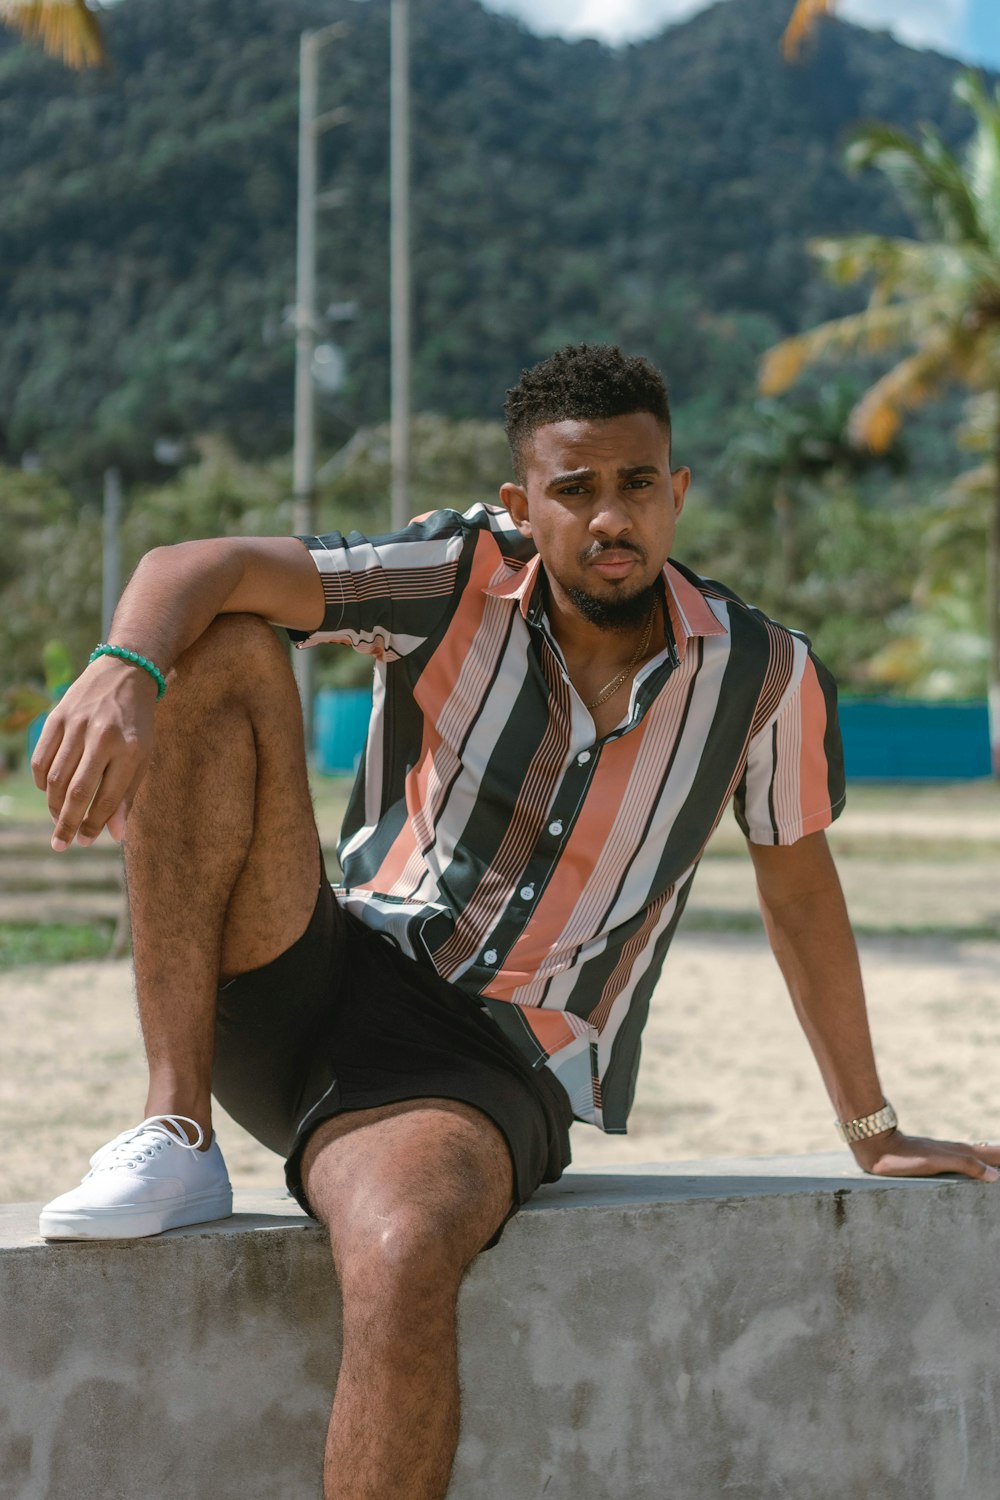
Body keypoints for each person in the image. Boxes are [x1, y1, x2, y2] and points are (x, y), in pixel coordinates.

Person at [33, 344, 998, 1500]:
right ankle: (173, 1128)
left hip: (479, 1063)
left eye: (637, 485)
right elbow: (196, 559)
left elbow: (799, 896)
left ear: (677, 493)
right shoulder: (450, 570)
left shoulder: (765, 677)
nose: (611, 518)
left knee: (399, 1257)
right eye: (575, 490)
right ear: (520, 505)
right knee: (225, 636)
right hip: (319, 961)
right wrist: (120, 667)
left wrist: (872, 1125)